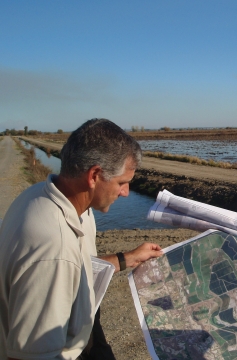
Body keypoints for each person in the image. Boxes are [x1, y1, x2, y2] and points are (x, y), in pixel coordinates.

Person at [0, 119, 163, 360]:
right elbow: (29, 356)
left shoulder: (43, 196)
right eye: (122, 182)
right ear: (94, 175)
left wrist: (126, 258)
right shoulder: (54, 248)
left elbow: (79, 265)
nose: (125, 192)